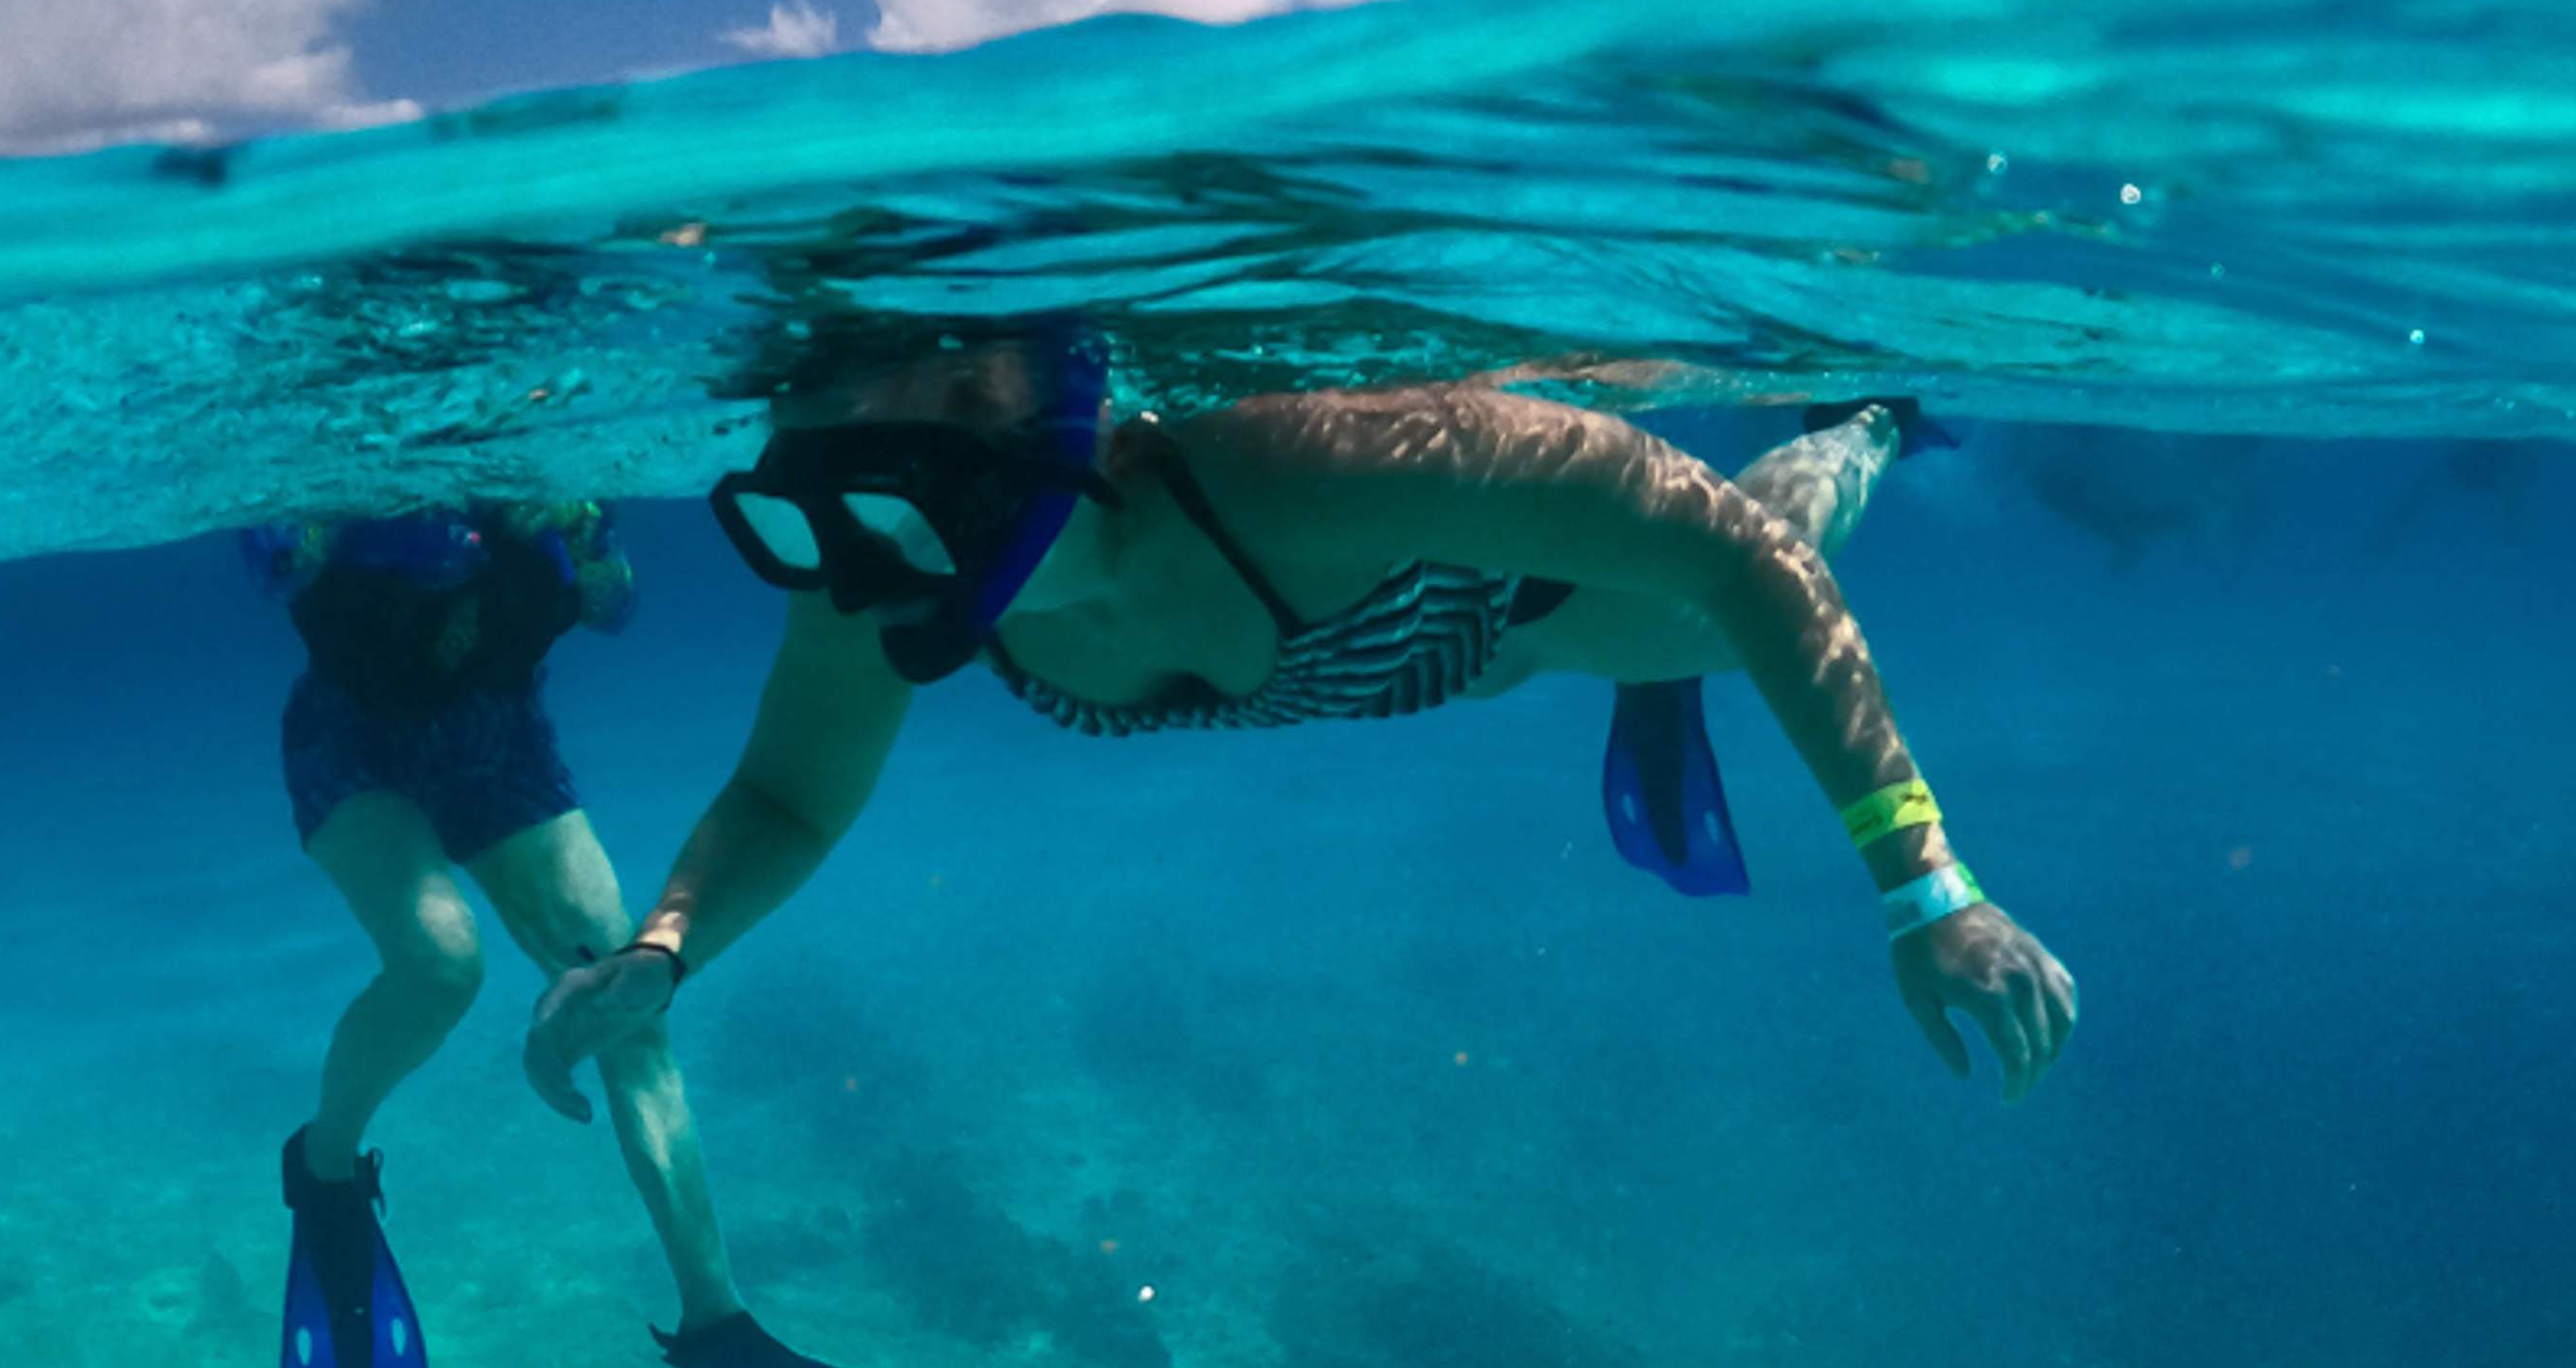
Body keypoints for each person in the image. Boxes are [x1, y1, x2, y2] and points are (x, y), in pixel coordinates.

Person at [521, 342, 2077, 1153]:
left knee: (1703, 606)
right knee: (1681, 615)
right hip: (1412, 657)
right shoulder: (878, 558)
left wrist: (1926, 890)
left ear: (1019, 464)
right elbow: (788, 792)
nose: (853, 579)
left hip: (1513, 615)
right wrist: (664, 950)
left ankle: (1864, 418)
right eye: (802, 526)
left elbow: (1753, 562)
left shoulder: (1306, 463)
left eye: (885, 515)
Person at [255, 500, 958, 1368]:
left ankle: (716, 1317)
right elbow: (277, 557)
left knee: (633, 1002)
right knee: (438, 965)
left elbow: (609, 602)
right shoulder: (358, 456)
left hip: (497, 739)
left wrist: (574, 541)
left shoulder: (548, 465)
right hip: (352, 738)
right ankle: (325, 1169)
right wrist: (383, 534)